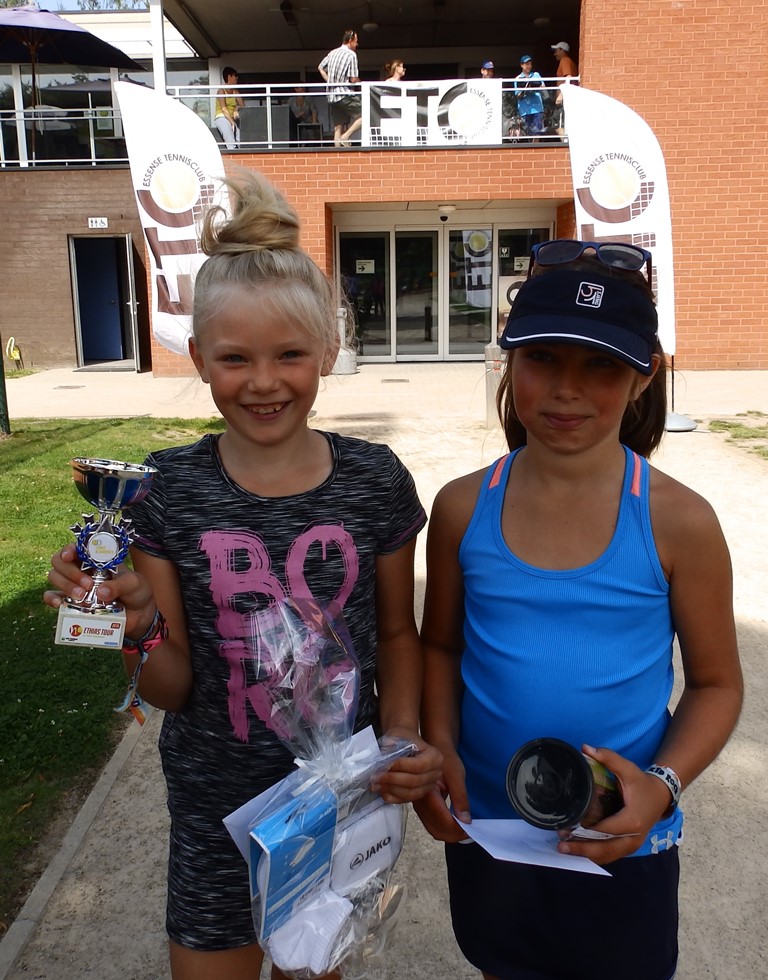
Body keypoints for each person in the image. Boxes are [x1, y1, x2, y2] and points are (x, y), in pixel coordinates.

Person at [45, 171, 442, 980]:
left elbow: (399, 634)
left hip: (337, 803)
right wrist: (134, 629)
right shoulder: (167, 491)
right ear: (199, 358)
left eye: (289, 354)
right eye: (234, 359)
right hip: (212, 811)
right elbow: (171, 687)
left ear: (327, 348)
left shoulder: (375, 482)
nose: (263, 381)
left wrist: (401, 733)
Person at [414, 240, 743, 980]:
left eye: (600, 364)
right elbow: (440, 647)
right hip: (492, 825)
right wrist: (441, 747)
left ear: (643, 373)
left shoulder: (679, 522)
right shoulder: (463, 507)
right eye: (543, 358)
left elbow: (718, 684)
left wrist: (661, 787)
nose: (567, 389)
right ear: (508, 361)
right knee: (503, 963)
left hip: (621, 835)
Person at [318, 29, 362, 147]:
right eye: (356, 41)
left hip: (332, 96)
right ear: (350, 40)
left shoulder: (333, 52)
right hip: (344, 94)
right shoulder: (351, 55)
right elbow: (353, 79)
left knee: (338, 127)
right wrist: (362, 83)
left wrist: (330, 81)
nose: (357, 44)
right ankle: (346, 136)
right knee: (366, 114)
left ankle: (336, 154)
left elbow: (320, 67)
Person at [513, 54, 545, 138]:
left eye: (530, 64)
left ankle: (536, 146)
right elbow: (518, 95)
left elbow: (544, 87)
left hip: (537, 109)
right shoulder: (518, 78)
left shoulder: (536, 75)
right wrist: (525, 90)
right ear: (522, 65)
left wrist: (536, 86)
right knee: (528, 135)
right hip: (525, 111)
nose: (529, 66)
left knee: (537, 133)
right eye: (527, 64)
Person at [551, 41, 579, 136]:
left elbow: (568, 78)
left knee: (558, 125)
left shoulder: (565, 60)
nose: (555, 54)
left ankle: (566, 142)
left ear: (562, 50)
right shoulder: (568, 61)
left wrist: (561, 96)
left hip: (565, 99)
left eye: (556, 51)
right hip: (568, 98)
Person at [214, 66, 245, 149]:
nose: (237, 78)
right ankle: (232, 150)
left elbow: (243, 106)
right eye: (235, 75)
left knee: (240, 133)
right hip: (222, 117)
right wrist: (232, 122)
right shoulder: (221, 91)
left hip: (233, 118)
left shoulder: (235, 92)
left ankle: (240, 150)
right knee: (229, 133)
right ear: (229, 76)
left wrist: (236, 109)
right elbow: (224, 109)